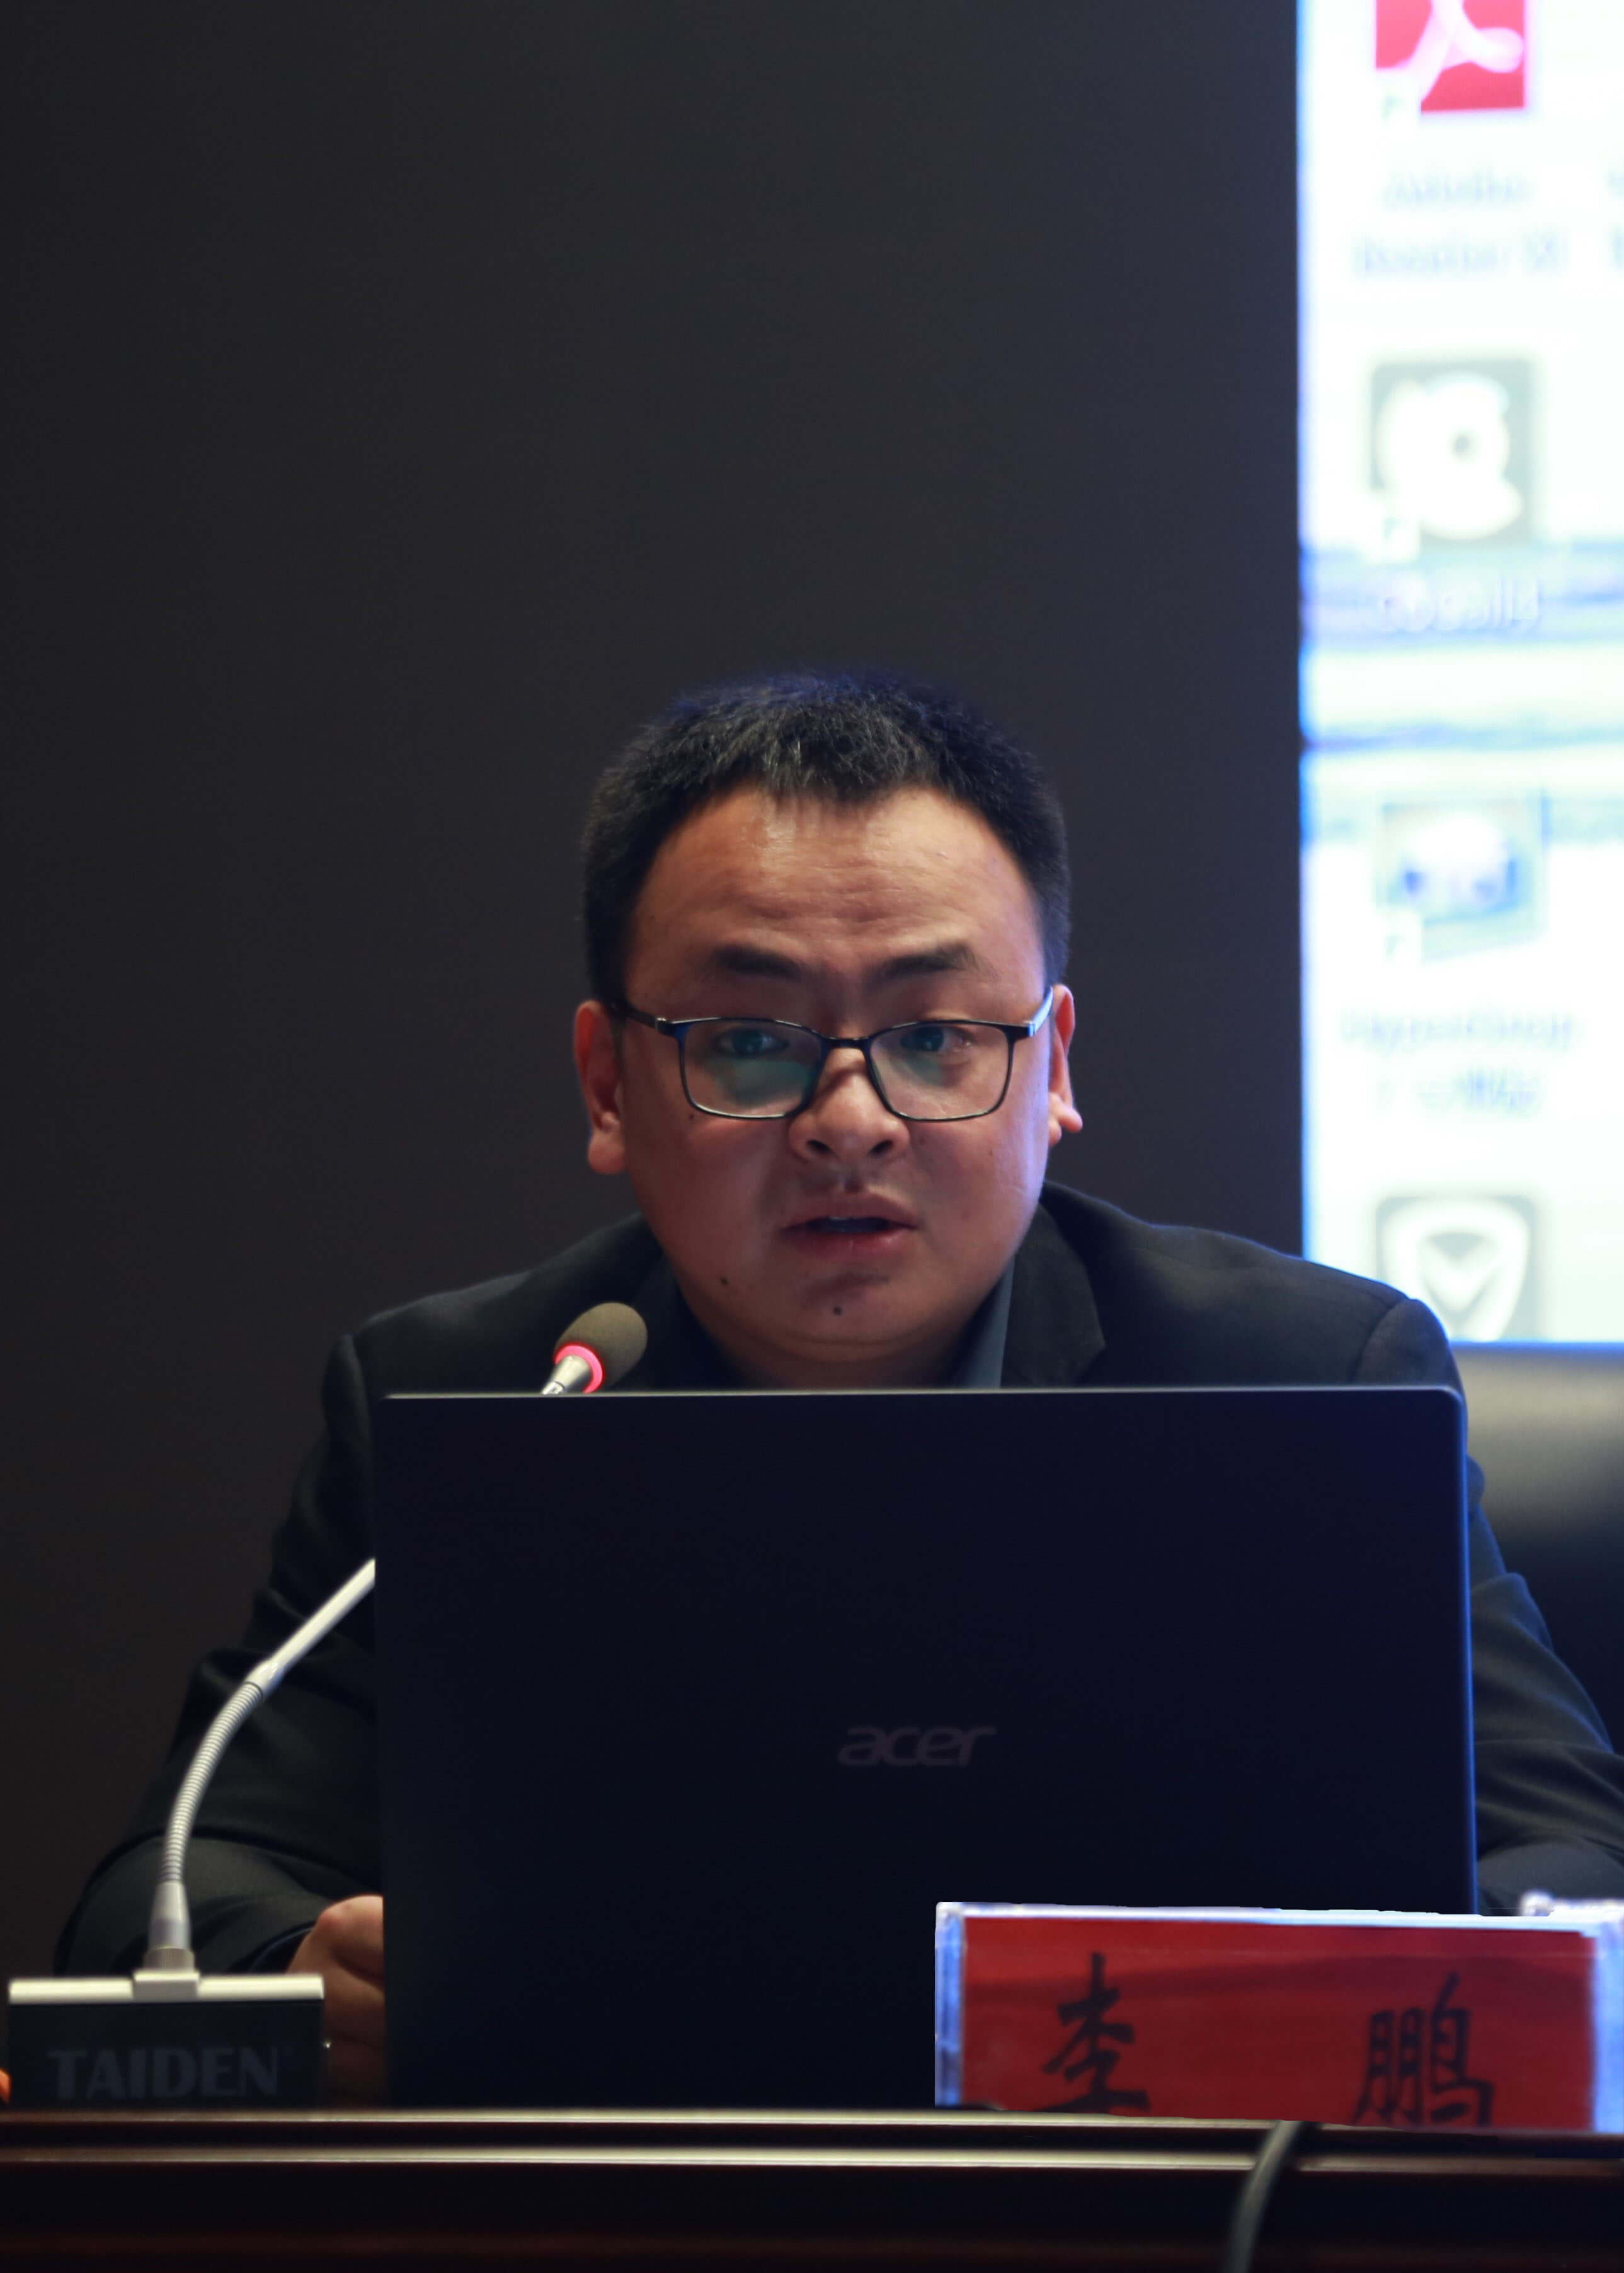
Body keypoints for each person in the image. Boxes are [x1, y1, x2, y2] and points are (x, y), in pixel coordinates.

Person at [60, 671, 1624, 2104]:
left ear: (1052, 1067)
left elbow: (1569, 1860)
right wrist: (300, 1969)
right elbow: (171, 1885)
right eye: (748, 1041)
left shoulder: (1302, 1379)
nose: (849, 1118)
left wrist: (1337, 1990)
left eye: (936, 1037)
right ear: (608, 1083)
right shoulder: (470, 1396)